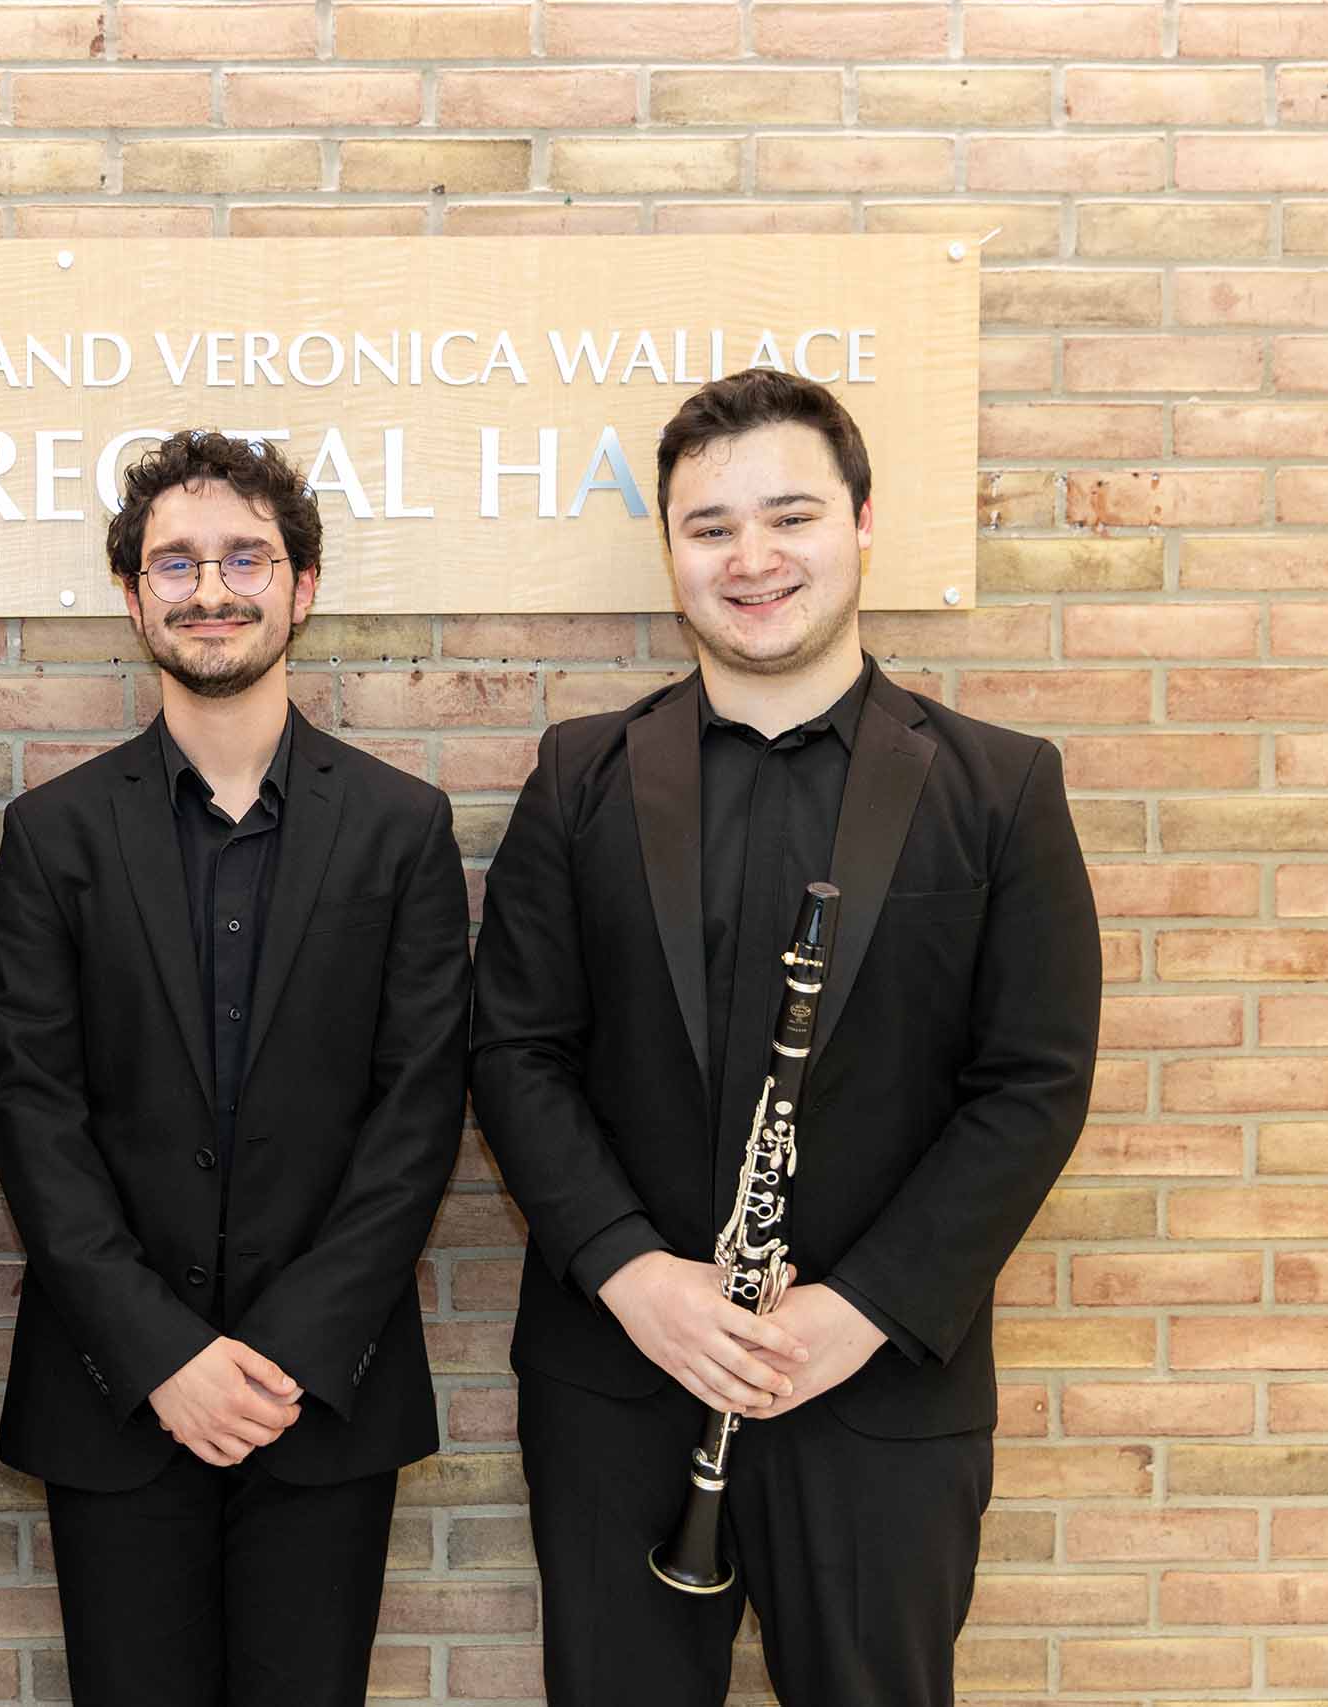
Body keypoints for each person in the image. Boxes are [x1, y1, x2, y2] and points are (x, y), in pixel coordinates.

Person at [470, 368, 1101, 1705]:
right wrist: (635, 1276)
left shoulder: (998, 785)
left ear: (864, 523)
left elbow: (1032, 1085)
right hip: (621, 1380)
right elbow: (515, 1049)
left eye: (790, 515)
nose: (751, 558)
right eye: (709, 527)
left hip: (876, 1389)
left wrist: (860, 1307)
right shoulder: (577, 774)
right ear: (671, 552)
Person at [0, 432, 470, 1706]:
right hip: (116, 1401)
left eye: (246, 557)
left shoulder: (401, 829)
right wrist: (162, 1357)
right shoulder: (52, 836)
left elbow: (416, 1112)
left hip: (328, 1399)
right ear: (133, 594)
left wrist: (288, 1354)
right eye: (176, 562)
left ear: (303, 588)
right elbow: (36, 1115)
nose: (212, 589)